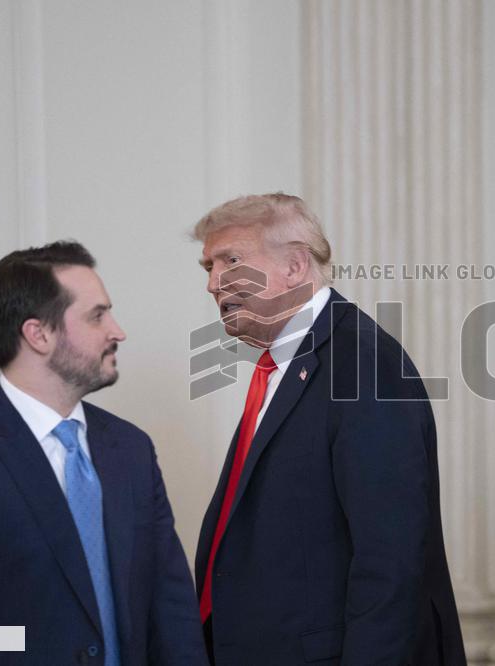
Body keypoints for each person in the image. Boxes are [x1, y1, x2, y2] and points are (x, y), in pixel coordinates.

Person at [0, 241, 206, 665]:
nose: (117, 331)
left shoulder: (131, 449)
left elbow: (171, 610)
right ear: (38, 334)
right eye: (97, 315)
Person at [192, 193, 466, 664]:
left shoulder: (362, 365)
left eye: (231, 260)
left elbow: (390, 564)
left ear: (296, 266)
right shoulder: (285, 366)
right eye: (208, 267)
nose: (214, 283)